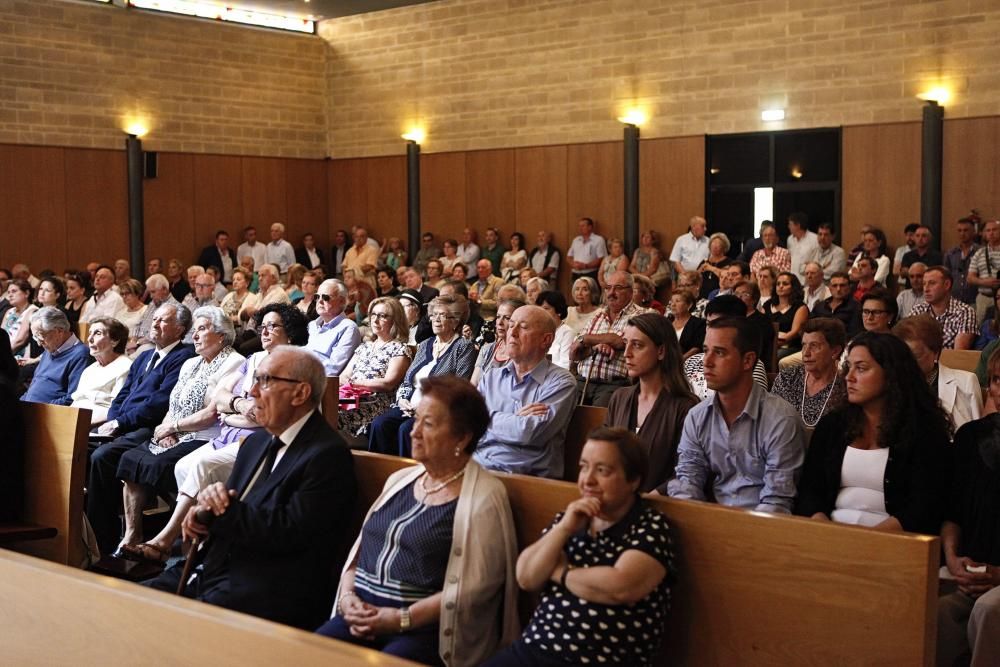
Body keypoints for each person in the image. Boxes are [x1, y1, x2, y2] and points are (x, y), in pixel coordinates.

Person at [145, 346, 357, 631]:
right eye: (254, 380)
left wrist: (222, 511)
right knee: (127, 600)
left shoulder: (327, 454)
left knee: (167, 627)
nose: (252, 392)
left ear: (300, 393)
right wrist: (203, 516)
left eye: (266, 381)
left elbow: (290, 533)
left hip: (270, 586)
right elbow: (231, 507)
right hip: (216, 570)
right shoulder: (256, 443)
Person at [320, 376, 518, 666]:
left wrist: (400, 618)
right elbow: (359, 553)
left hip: (422, 629)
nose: (413, 433)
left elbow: (475, 588)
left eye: (428, 424)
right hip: (360, 610)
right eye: (416, 421)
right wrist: (348, 598)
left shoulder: (484, 496)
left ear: (462, 438)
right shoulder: (400, 480)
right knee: (310, 653)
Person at [485, 428, 673, 667]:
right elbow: (526, 577)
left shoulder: (651, 526)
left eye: (602, 470)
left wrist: (560, 572)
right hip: (534, 650)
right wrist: (564, 528)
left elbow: (621, 587)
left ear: (633, 480)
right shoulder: (571, 517)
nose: (588, 479)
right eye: (584, 467)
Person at [112, 306, 243, 559]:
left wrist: (175, 427)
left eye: (202, 329)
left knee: (164, 464)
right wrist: (165, 429)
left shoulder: (233, 362)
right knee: (131, 458)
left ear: (221, 334)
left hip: (205, 435)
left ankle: (174, 540)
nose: (194, 335)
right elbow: (173, 404)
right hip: (175, 431)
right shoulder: (190, 363)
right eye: (194, 330)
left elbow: (212, 414)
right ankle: (132, 534)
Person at [794, 333, 951, 533]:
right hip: (829, 535)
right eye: (848, 367)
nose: (849, 377)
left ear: (891, 374)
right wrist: (827, 532)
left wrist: (867, 541)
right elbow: (809, 491)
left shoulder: (924, 430)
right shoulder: (833, 424)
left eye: (861, 368)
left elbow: (925, 507)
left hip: (894, 542)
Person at [87, 303, 195, 555]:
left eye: (162, 321)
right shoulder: (145, 356)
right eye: (154, 319)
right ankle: (84, 533)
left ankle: (103, 541)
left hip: (150, 427)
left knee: (102, 458)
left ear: (179, 329)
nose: (154, 324)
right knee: (81, 449)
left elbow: (158, 403)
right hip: (123, 424)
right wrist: (113, 420)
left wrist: (120, 423)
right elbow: (123, 394)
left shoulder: (183, 356)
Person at [668, 317, 806, 513]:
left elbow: (776, 501)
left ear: (747, 360)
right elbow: (688, 480)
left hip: (763, 530)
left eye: (720, 352)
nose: (706, 362)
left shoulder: (781, 420)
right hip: (710, 522)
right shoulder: (697, 416)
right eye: (706, 350)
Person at [936, 349, 1000, 666]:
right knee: (934, 611)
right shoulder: (971, 436)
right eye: (998, 380)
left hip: (997, 583)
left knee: (990, 610)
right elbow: (953, 510)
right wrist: (952, 556)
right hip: (970, 573)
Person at [474, 305, 576, 479]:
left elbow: (528, 433)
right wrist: (515, 419)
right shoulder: (491, 377)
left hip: (525, 481)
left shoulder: (561, 382)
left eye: (523, 327)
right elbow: (469, 426)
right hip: (477, 468)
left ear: (546, 340)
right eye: (511, 324)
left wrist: (486, 418)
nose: (511, 332)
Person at [368, 294, 476, 457]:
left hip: (438, 411)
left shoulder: (463, 347)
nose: (436, 320)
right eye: (434, 315)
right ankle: (380, 475)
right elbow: (407, 381)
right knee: (379, 424)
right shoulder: (426, 344)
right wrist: (402, 400)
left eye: (443, 316)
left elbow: (459, 387)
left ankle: (410, 476)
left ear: (455, 321)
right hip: (409, 406)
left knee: (406, 429)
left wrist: (424, 406)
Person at [605, 313, 698, 494]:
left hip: (661, 507)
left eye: (637, 345)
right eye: (626, 344)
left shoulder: (686, 407)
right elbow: (604, 452)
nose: (626, 353)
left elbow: (686, 471)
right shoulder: (619, 397)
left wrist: (654, 496)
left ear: (661, 351)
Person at [570, 271, 651, 407]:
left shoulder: (641, 315)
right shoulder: (597, 316)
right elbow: (575, 353)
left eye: (618, 288)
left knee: (598, 423)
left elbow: (620, 341)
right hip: (582, 380)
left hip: (614, 384)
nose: (611, 293)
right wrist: (596, 347)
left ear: (631, 292)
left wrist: (586, 339)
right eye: (608, 288)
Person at [338, 297, 413, 439]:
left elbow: (387, 384)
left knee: (333, 412)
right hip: (351, 397)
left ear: (395, 320)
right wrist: (351, 383)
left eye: (383, 316)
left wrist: (355, 383)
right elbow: (343, 376)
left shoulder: (399, 349)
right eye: (373, 314)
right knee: (320, 408)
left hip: (374, 402)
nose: (375, 319)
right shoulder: (364, 347)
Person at [892, 315, 982, 431]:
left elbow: (978, 434)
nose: (908, 363)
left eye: (916, 356)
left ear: (935, 352)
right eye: (901, 356)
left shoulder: (965, 382)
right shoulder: (890, 384)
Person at [683, 294, 770, 400]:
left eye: (718, 325)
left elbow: (754, 406)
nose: (711, 330)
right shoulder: (692, 362)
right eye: (708, 324)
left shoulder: (751, 366)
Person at [771, 318, 847, 429]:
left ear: (835, 351)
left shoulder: (846, 387)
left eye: (814, 346)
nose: (806, 353)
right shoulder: (787, 378)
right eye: (804, 345)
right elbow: (771, 420)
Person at [20, 307, 91, 405]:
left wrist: (39, 408)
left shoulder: (81, 354)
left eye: (41, 336)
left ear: (59, 331)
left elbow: (72, 398)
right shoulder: (50, 348)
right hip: (31, 410)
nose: (39, 344)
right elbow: (33, 388)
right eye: (35, 337)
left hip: (49, 414)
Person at [70, 317, 132, 424]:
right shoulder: (89, 369)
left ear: (115, 341)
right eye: (90, 333)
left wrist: (79, 425)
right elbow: (76, 400)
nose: (89, 339)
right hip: (72, 421)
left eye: (97, 333)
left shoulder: (126, 367)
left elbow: (117, 409)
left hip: (95, 427)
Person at [910, 265, 977, 350]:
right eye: (924, 284)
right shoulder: (918, 310)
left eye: (932, 283)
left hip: (950, 362)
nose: (926, 289)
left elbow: (959, 352)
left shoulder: (965, 312)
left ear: (947, 285)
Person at [306, 278, 362, 377]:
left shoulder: (348, 328)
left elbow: (333, 368)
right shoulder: (312, 325)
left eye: (325, 297)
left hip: (323, 384)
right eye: (317, 297)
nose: (320, 301)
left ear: (342, 301)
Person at [471, 298, 523, 386]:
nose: (500, 322)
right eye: (498, 317)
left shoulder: (524, 355)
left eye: (507, 318)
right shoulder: (486, 349)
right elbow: (473, 385)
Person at [764, 272, 809, 360]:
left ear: (793, 287)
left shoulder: (800, 307)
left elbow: (793, 333)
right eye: (778, 284)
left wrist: (772, 344)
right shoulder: (768, 304)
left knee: (776, 355)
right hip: (769, 343)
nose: (781, 286)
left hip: (790, 346)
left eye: (785, 284)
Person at [967, 219, 1000, 325]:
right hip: (984, 297)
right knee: (979, 327)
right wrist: (984, 282)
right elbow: (970, 278)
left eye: (994, 230)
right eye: (988, 230)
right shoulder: (979, 253)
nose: (991, 233)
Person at [811, 271, 861, 338]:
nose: (838, 289)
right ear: (829, 288)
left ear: (849, 287)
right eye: (834, 286)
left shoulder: (856, 307)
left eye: (842, 285)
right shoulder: (820, 306)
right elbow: (810, 327)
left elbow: (855, 333)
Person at [945, 216, 980, 306]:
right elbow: (946, 276)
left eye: (966, 230)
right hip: (954, 300)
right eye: (959, 231)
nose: (962, 233)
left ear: (973, 231)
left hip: (974, 299)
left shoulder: (980, 252)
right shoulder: (951, 253)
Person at [536, 290, 573, 370]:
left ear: (558, 311)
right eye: (539, 309)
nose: (541, 312)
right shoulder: (537, 331)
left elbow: (565, 365)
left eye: (546, 308)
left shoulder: (566, 332)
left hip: (556, 378)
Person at [2, 279, 37, 359]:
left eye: (14, 291)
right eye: (8, 292)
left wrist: (3, 355)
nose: (10, 295)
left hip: (17, 355)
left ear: (27, 293)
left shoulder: (32, 310)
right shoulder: (9, 311)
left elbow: (20, 340)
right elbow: (2, 334)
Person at [669, 289, 706, 360]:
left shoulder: (698, 324)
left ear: (689, 305)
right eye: (672, 301)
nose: (673, 304)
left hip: (687, 362)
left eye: (677, 301)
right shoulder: (667, 322)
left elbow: (696, 348)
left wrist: (680, 361)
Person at [567, 217, 606, 282]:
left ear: (590, 227)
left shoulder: (598, 240)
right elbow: (569, 256)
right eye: (579, 226)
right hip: (576, 274)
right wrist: (573, 264)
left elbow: (601, 258)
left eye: (583, 226)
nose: (580, 228)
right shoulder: (576, 240)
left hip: (591, 273)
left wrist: (585, 266)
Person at [696, 232, 732, 299]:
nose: (715, 246)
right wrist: (699, 270)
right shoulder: (705, 261)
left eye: (718, 244)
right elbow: (695, 278)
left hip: (719, 295)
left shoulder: (729, 262)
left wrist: (711, 268)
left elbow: (726, 276)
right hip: (702, 296)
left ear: (724, 247)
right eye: (713, 243)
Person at [786, 211, 819, 281]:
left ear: (798, 225)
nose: (788, 227)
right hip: (793, 279)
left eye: (790, 224)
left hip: (807, 279)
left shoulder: (815, 239)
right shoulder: (790, 239)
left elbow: (817, 260)